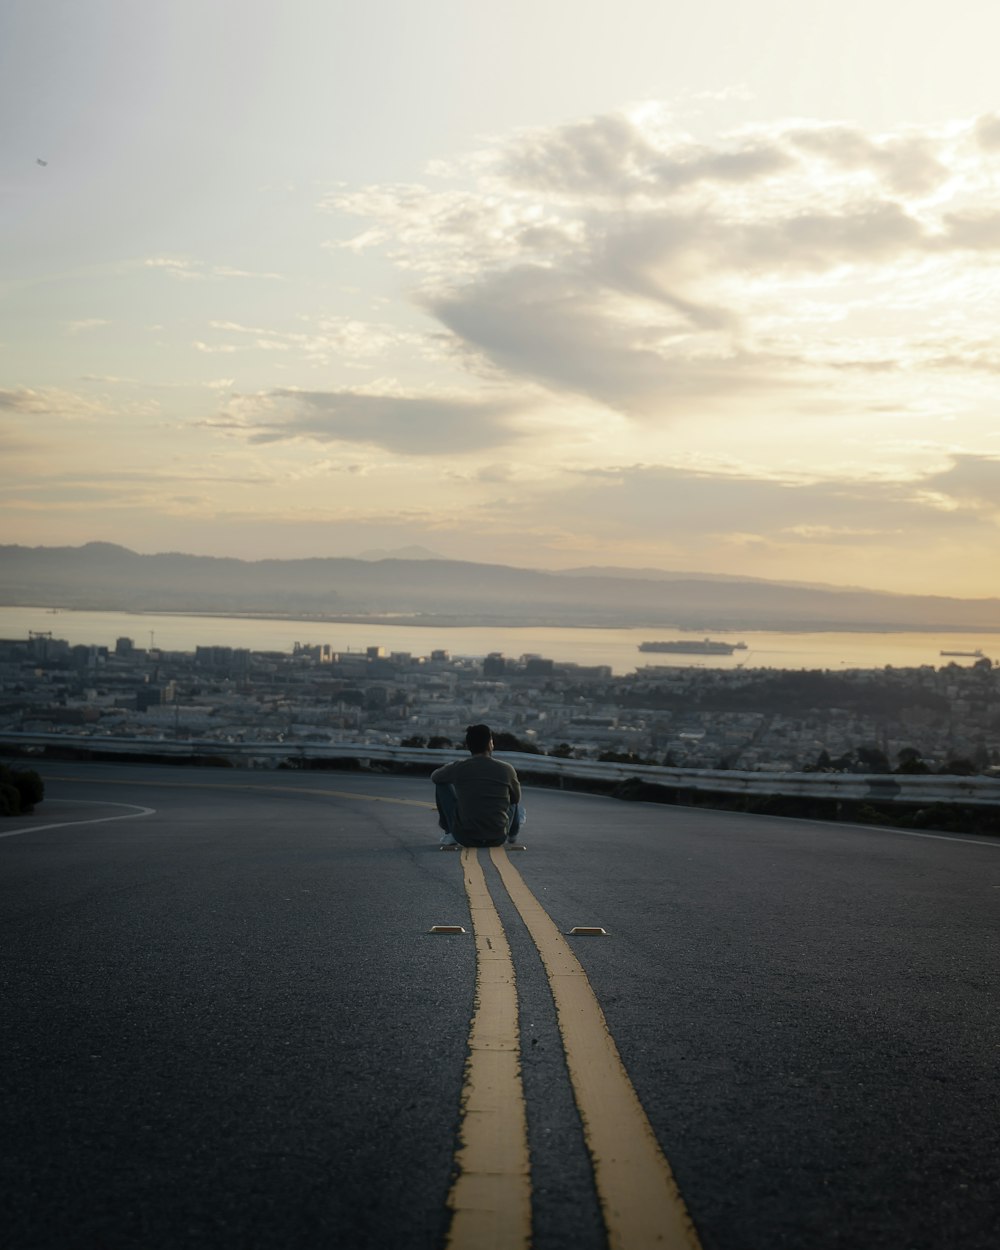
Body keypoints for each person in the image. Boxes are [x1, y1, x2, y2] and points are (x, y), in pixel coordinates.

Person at [431, 724, 524, 847]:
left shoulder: (459, 767)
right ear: (490, 744)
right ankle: (512, 834)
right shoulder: (506, 769)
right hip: (498, 837)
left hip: (465, 838)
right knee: (513, 799)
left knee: (441, 784)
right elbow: (516, 799)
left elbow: (435, 777)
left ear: (468, 746)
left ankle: (450, 833)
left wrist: (453, 768)